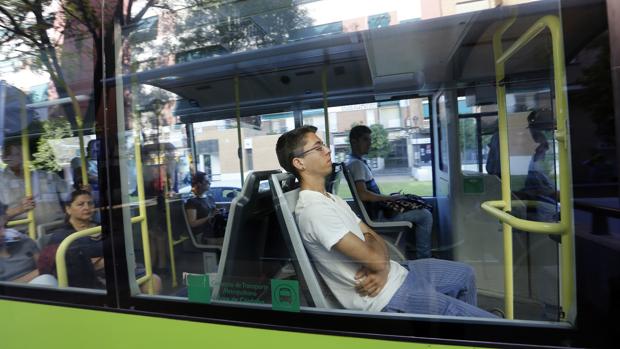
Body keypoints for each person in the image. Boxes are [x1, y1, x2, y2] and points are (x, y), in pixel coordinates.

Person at [275, 126, 494, 317]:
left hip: (396, 272)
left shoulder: (333, 199)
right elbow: (375, 254)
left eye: (324, 144)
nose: (328, 150)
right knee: (496, 330)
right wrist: (379, 262)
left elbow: (371, 235)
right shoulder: (313, 211)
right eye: (318, 147)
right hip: (385, 296)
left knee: (465, 275)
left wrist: (381, 264)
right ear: (299, 162)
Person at [38, 189, 161, 293]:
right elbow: (76, 262)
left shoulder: (100, 226)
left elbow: (120, 245)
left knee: (154, 281)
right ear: (68, 209)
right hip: (92, 277)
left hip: (120, 267)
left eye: (90, 203)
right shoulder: (62, 236)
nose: (87, 207)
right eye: (81, 204)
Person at [345, 125, 433, 259]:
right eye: (365, 140)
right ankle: (424, 258)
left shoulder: (354, 162)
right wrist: (390, 199)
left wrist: (391, 198)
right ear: (354, 141)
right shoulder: (357, 165)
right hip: (378, 216)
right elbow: (363, 194)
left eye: (369, 140)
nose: (369, 143)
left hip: (378, 211)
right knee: (425, 215)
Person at [0, 137, 69, 229]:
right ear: (4, 158)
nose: (22, 158)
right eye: (17, 154)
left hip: (57, 230)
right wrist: (19, 209)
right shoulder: (2, 182)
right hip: (21, 237)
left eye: (23, 153)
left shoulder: (49, 177)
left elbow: (71, 198)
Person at [0, 203, 40, 283]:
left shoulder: (25, 242)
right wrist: (39, 272)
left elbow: (44, 266)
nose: (2, 233)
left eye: (2, 227)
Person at [185, 172, 226, 245]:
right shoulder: (192, 202)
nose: (209, 183)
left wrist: (218, 212)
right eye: (206, 181)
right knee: (230, 241)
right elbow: (192, 223)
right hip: (203, 234)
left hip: (213, 230)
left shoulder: (209, 198)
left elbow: (213, 215)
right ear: (199, 184)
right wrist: (209, 217)